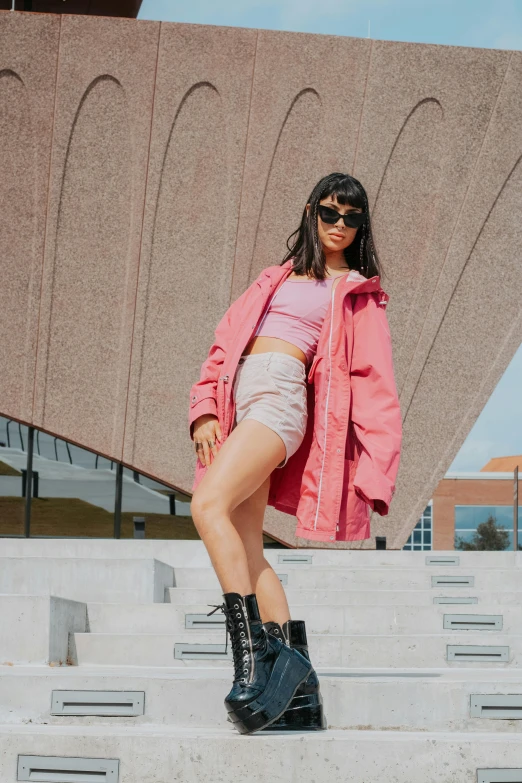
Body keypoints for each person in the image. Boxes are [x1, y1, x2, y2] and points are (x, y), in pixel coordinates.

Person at [188, 172, 402, 734]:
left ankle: (253, 659)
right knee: (250, 545)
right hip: (241, 400)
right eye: (330, 214)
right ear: (311, 212)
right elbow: (223, 343)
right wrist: (205, 410)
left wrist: (378, 473)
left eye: (352, 219)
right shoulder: (273, 278)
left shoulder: (357, 292)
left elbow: (377, 386)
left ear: (361, 227)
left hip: (280, 401)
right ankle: (299, 697)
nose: (339, 226)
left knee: (206, 507)